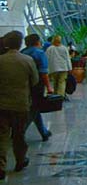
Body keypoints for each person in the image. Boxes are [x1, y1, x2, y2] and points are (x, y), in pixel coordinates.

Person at [0, 31, 39, 179]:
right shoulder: (27, 60)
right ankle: (20, 160)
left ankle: (1, 166)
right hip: (20, 104)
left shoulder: (1, 60)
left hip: (2, 104)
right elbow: (34, 81)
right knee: (18, 134)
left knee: (2, 136)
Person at [21, 34, 52, 142]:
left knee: (35, 107)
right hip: (37, 84)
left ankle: (44, 132)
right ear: (38, 41)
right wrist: (49, 87)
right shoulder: (39, 53)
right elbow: (43, 73)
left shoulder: (23, 52)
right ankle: (20, 131)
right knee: (34, 108)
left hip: (25, 83)